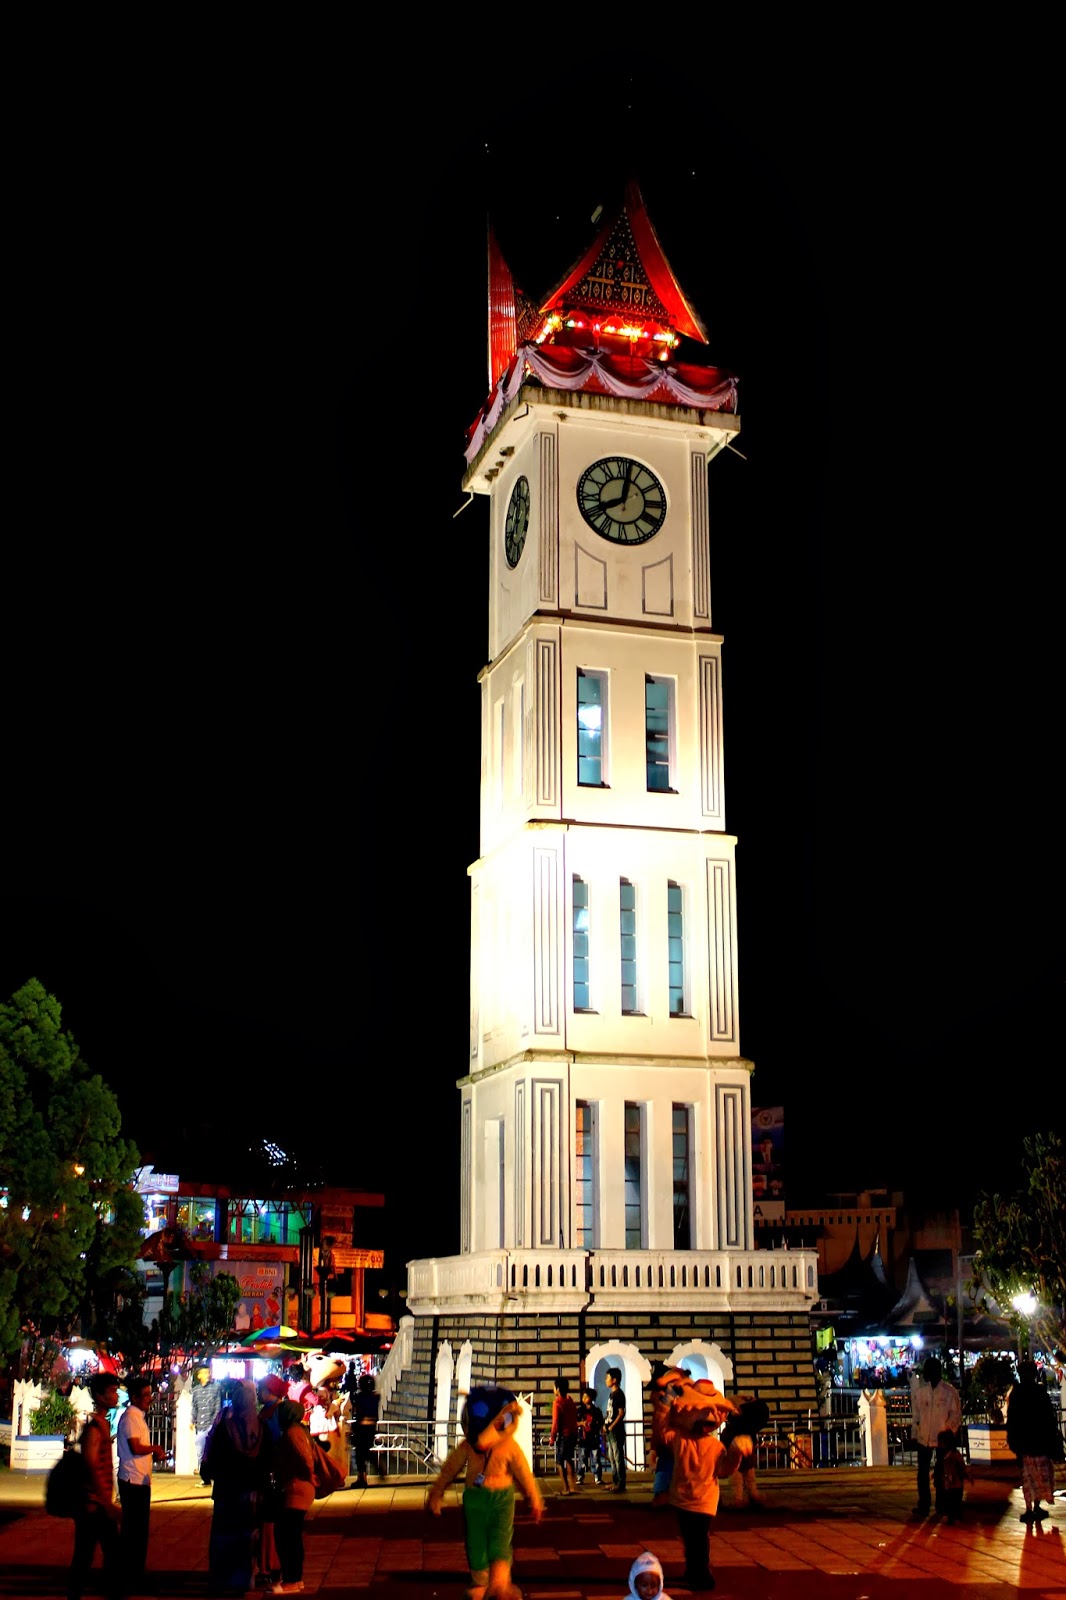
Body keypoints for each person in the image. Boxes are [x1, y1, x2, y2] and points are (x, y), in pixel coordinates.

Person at [427, 1385, 544, 1600]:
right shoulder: (468, 1447)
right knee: (476, 1541)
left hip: (502, 1498)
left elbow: (523, 1474)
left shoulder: (509, 1446)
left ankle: (500, 1583)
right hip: (475, 1498)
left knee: (500, 1539)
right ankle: (481, 1582)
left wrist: (534, 1499)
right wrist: (437, 1492)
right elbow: (450, 1468)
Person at [657, 1373, 751, 1592]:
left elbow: (662, 1430)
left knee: (695, 1540)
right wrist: (736, 1453)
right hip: (701, 1501)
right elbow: (724, 1470)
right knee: (695, 1540)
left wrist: (666, 1403)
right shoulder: (708, 1445)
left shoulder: (682, 1439)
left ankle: (701, 1574)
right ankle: (695, 1571)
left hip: (687, 1500)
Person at [201, 1378, 262, 1597]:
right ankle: (242, 1577)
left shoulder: (226, 1427)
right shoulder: (259, 1427)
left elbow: (214, 1456)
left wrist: (209, 1472)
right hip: (248, 1488)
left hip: (227, 1489)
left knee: (223, 1534)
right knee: (244, 1534)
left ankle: (221, 1576)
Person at [67, 1372, 121, 1600]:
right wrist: (105, 1502)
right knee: (91, 1555)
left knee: (99, 1554)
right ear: (99, 1396)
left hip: (98, 1505)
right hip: (93, 1507)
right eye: (111, 1391)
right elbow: (90, 1466)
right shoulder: (94, 1429)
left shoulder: (103, 1425)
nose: (115, 1395)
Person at [116, 1378, 166, 1589]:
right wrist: (154, 1449)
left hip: (140, 1478)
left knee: (139, 1529)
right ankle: (131, 1573)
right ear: (134, 1397)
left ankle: (135, 1571)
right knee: (134, 1530)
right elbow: (136, 1447)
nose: (149, 1398)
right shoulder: (130, 1419)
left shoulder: (138, 1418)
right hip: (132, 1479)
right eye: (145, 1395)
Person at [1007, 1359, 1063, 1524]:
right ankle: (1035, 1506)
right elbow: (1048, 1418)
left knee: (1028, 1478)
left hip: (1026, 1443)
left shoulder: (1017, 1393)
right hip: (1038, 1442)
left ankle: (1031, 1508)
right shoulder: (1039, 1392)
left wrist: (1013, 1439)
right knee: (1039, 1476)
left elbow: (1013, 1419)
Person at [272, 1399, 316, 1595]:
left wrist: (306, 1474)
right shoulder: (299, 1430)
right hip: (297, 1488)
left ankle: (292, 1579)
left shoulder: (292, 1433)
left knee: (287, 1535)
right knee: (291, 1535)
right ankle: (294, 1578)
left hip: (296, 1489)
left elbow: (305, 1460)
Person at [909, 1357, 961, 1518]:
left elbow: (956, 1415)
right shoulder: (921, 1392)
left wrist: (948, 1431)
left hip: (942, 1441)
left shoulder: (949, 1392)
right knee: (922, 1474)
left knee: (941, 1474)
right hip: (924, 1438)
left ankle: (942, 1504)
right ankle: (924, 1504)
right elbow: (916, 1415)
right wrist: (914, 1434)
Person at [719, 1393, 770, 1509]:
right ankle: (742, 1497)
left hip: (740, 1451)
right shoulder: (743, 1426)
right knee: (741, 1474)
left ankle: (746, 1496)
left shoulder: (735, 1428)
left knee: (745, 1473)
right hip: (738, 1451)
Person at [548, 1376, 579, 1495]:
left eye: (554, 1387)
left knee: (560, 1461)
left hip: (564, 1435)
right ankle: (573, 1487)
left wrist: (552, 1438)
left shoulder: (557, 1403)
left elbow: (555, 1422)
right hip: (573, 1433)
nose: (553, 1389)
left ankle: (566, 1488)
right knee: (569, 1459)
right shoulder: (570, 1401)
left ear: (558, 1389)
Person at [934, 1427, 971, 1524]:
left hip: (956, 1482)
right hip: (948, 1483)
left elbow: (961, 1467)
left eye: (941, 1442)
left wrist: (965, 1475)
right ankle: (951, 1515)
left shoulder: (954, 1455)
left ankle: (956, 1515)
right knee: (949, 1500)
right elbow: (939, 1469)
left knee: (955, 1499)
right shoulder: (943, 1456)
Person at [192, 1366, 222, 1470]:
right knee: (200, 1451)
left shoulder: (216, 1387)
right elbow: (195, 1407)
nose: (207, 1375)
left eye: (208, 1372)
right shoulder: (195, 1390)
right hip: (200, 1425)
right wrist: (192, 1420)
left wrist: (214, 1423)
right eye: (204, 1373)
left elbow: (218, 1406)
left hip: (211, 1424)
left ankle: (212, 1473)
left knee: (211, 1451)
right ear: (199, 1376)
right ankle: (204, 1475)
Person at [353, 1373, 380, 1488]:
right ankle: (365, 1474)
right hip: (371, 1427)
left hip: (361, 1427)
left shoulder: (359, 1398)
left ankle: (362, 1477)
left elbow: (358, 1412)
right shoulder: (375, 1397)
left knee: (360, 1454)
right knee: (363, 1451)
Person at [604, 1368, 627, 1493]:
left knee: (617, 1457)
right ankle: (615, 1482)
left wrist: (612, 1425)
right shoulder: (612, 1394)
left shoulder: (619, 1394)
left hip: (616, 1430)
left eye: (607, 1378)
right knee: (612, 1457)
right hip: (610, 1429)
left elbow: (621, 1413)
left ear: (614, 1380)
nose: (605, 1380)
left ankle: (620, 1483)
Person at [576, 1386, 604, 1486]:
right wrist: (581, 1423)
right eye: (583, 1396)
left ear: (591, 1398)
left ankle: (597, 1477)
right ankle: (580, 1477)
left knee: (596, 1459)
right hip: (583, 1438)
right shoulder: (579, 1411)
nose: (583, 1399)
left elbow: (600, 1423)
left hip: (594, 1438)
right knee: (582, 1459)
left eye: (586, 1397)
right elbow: (575, 1422)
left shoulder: (596, 1411)